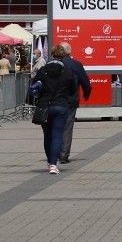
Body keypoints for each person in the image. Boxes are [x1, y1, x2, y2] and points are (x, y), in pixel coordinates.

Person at [32, 45, 76, 174]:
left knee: (47, 136)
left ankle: (49, 160)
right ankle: (53, 164)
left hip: (45, 105)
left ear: (52, 55)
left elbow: (34, 86)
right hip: (61, 105)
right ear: (63, 56)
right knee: (57, 136)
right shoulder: (67, 71)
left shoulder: (43, 70)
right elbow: (72, 89)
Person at [58, 41, 91, 164]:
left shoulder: (53, 64)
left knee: (55, 127)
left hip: (55, 100)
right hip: (71, 100)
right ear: (69, 51)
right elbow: (86, 83)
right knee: (67, 127)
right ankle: (63, 155)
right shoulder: (75, 64)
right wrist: (86, 95)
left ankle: (55, 152)